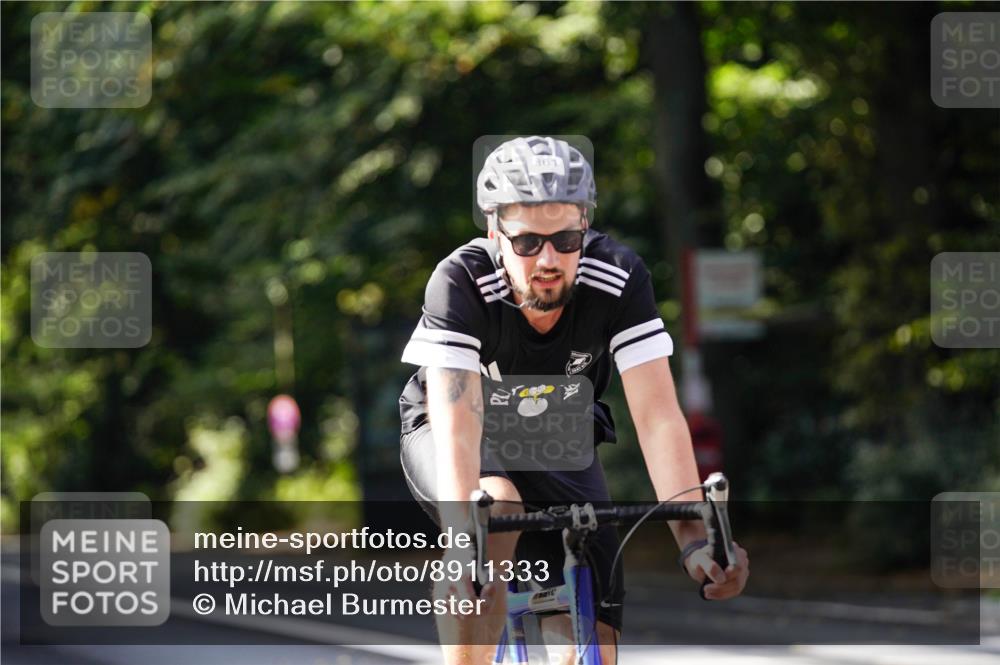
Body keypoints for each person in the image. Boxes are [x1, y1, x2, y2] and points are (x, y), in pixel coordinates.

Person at [399, 136, 749, 664]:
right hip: (452, 424)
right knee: (491, 512)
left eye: (564, 238)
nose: (548, 259)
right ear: (495, 231)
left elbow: (657, 418)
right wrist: (461, 543)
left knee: (591, 642)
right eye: (526, 243)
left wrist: (695, 540)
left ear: (584, 224)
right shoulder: (461, 282)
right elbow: (459, 424)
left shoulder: (618, 276)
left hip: (554, 425)